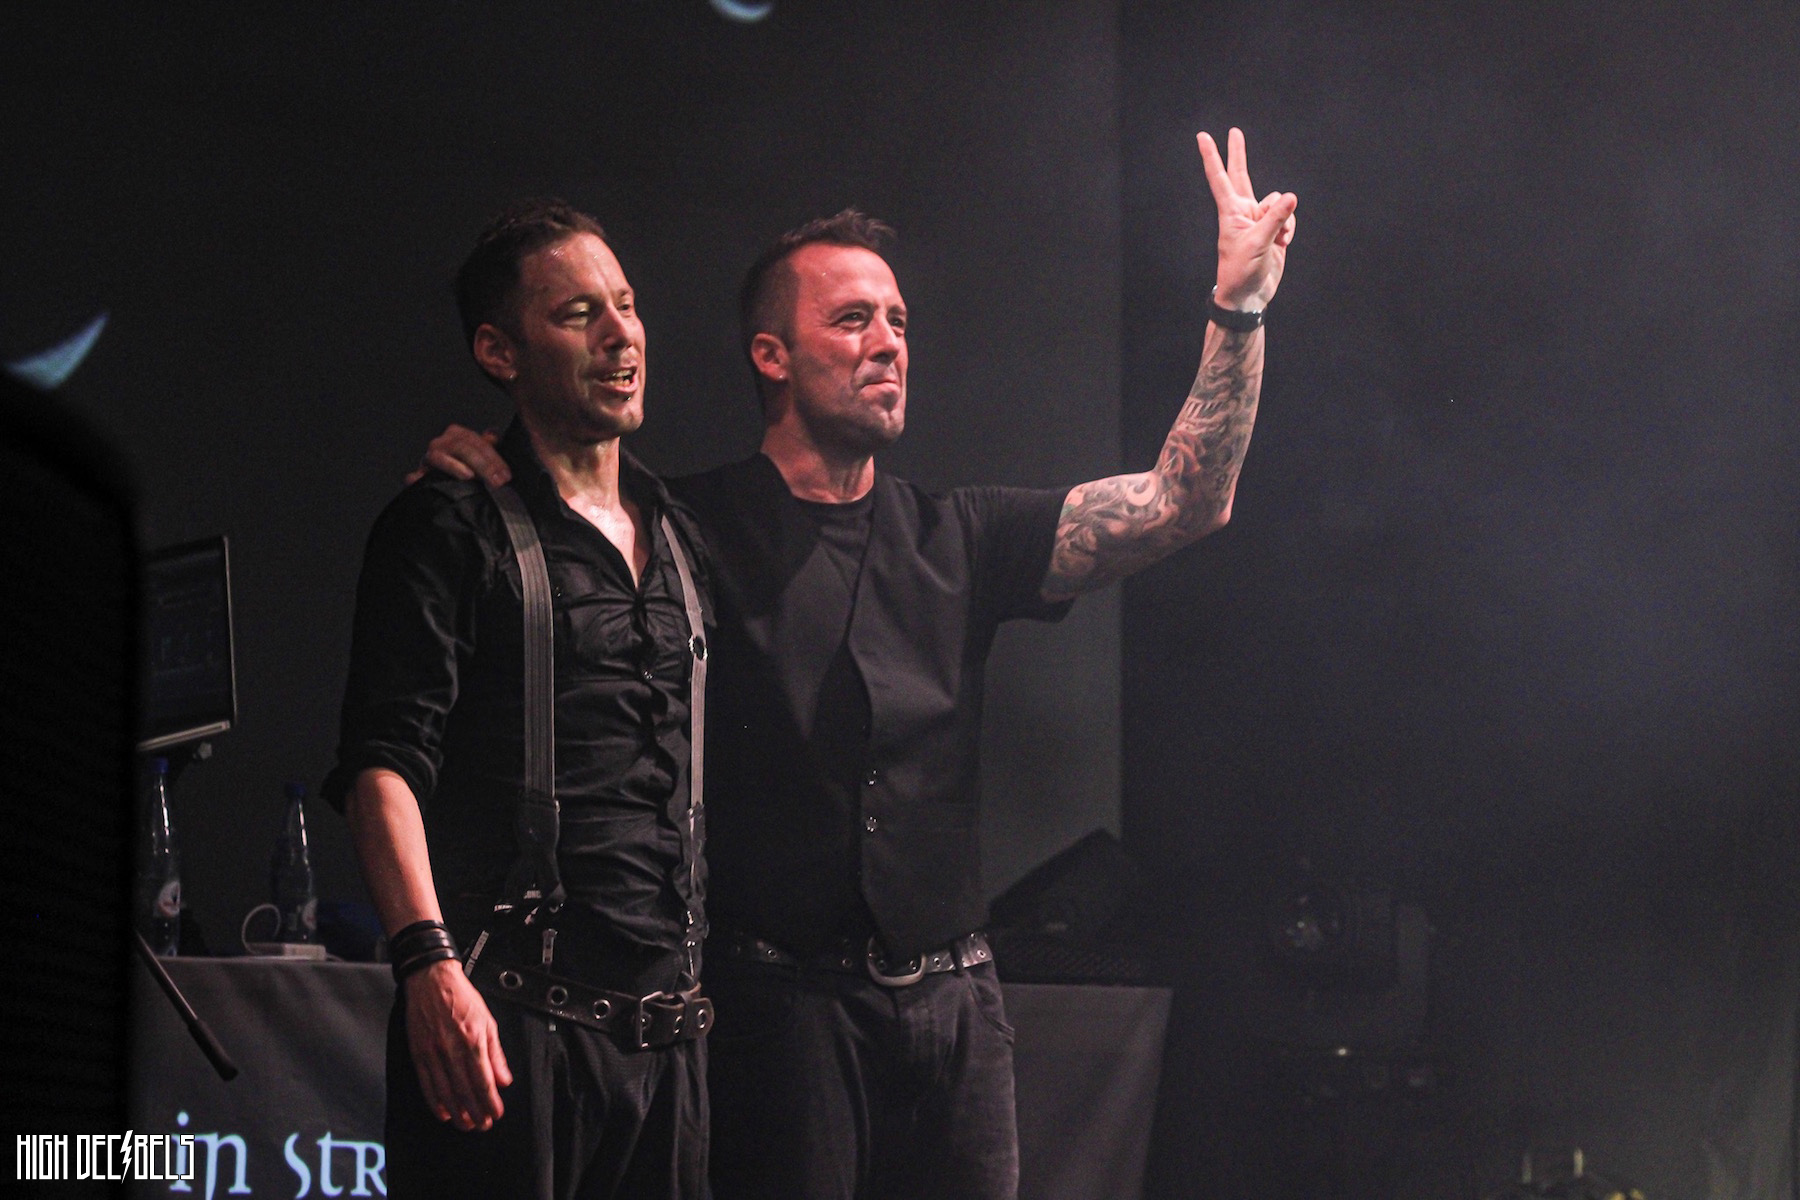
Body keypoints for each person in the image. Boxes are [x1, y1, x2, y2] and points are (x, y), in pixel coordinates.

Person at [422, 129, 1297, 1199]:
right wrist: (481, 466)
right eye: (852, 320)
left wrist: (1239, 309)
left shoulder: (961, 534)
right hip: (779, 1019)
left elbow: (1183, 501)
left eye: (898, 321)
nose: (888, 343)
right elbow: (558, 481)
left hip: (956, 1013)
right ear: (771, 356)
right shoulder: (681, 524)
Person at [326, 200, 714, 1200]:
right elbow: (383, 765)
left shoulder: (686, 534)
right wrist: (429, 968)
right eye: (579, 314)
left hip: (668, 1050)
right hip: (509, 1033)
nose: (621, 333)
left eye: (626, 304)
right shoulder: (445, 524)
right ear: (500, 352)